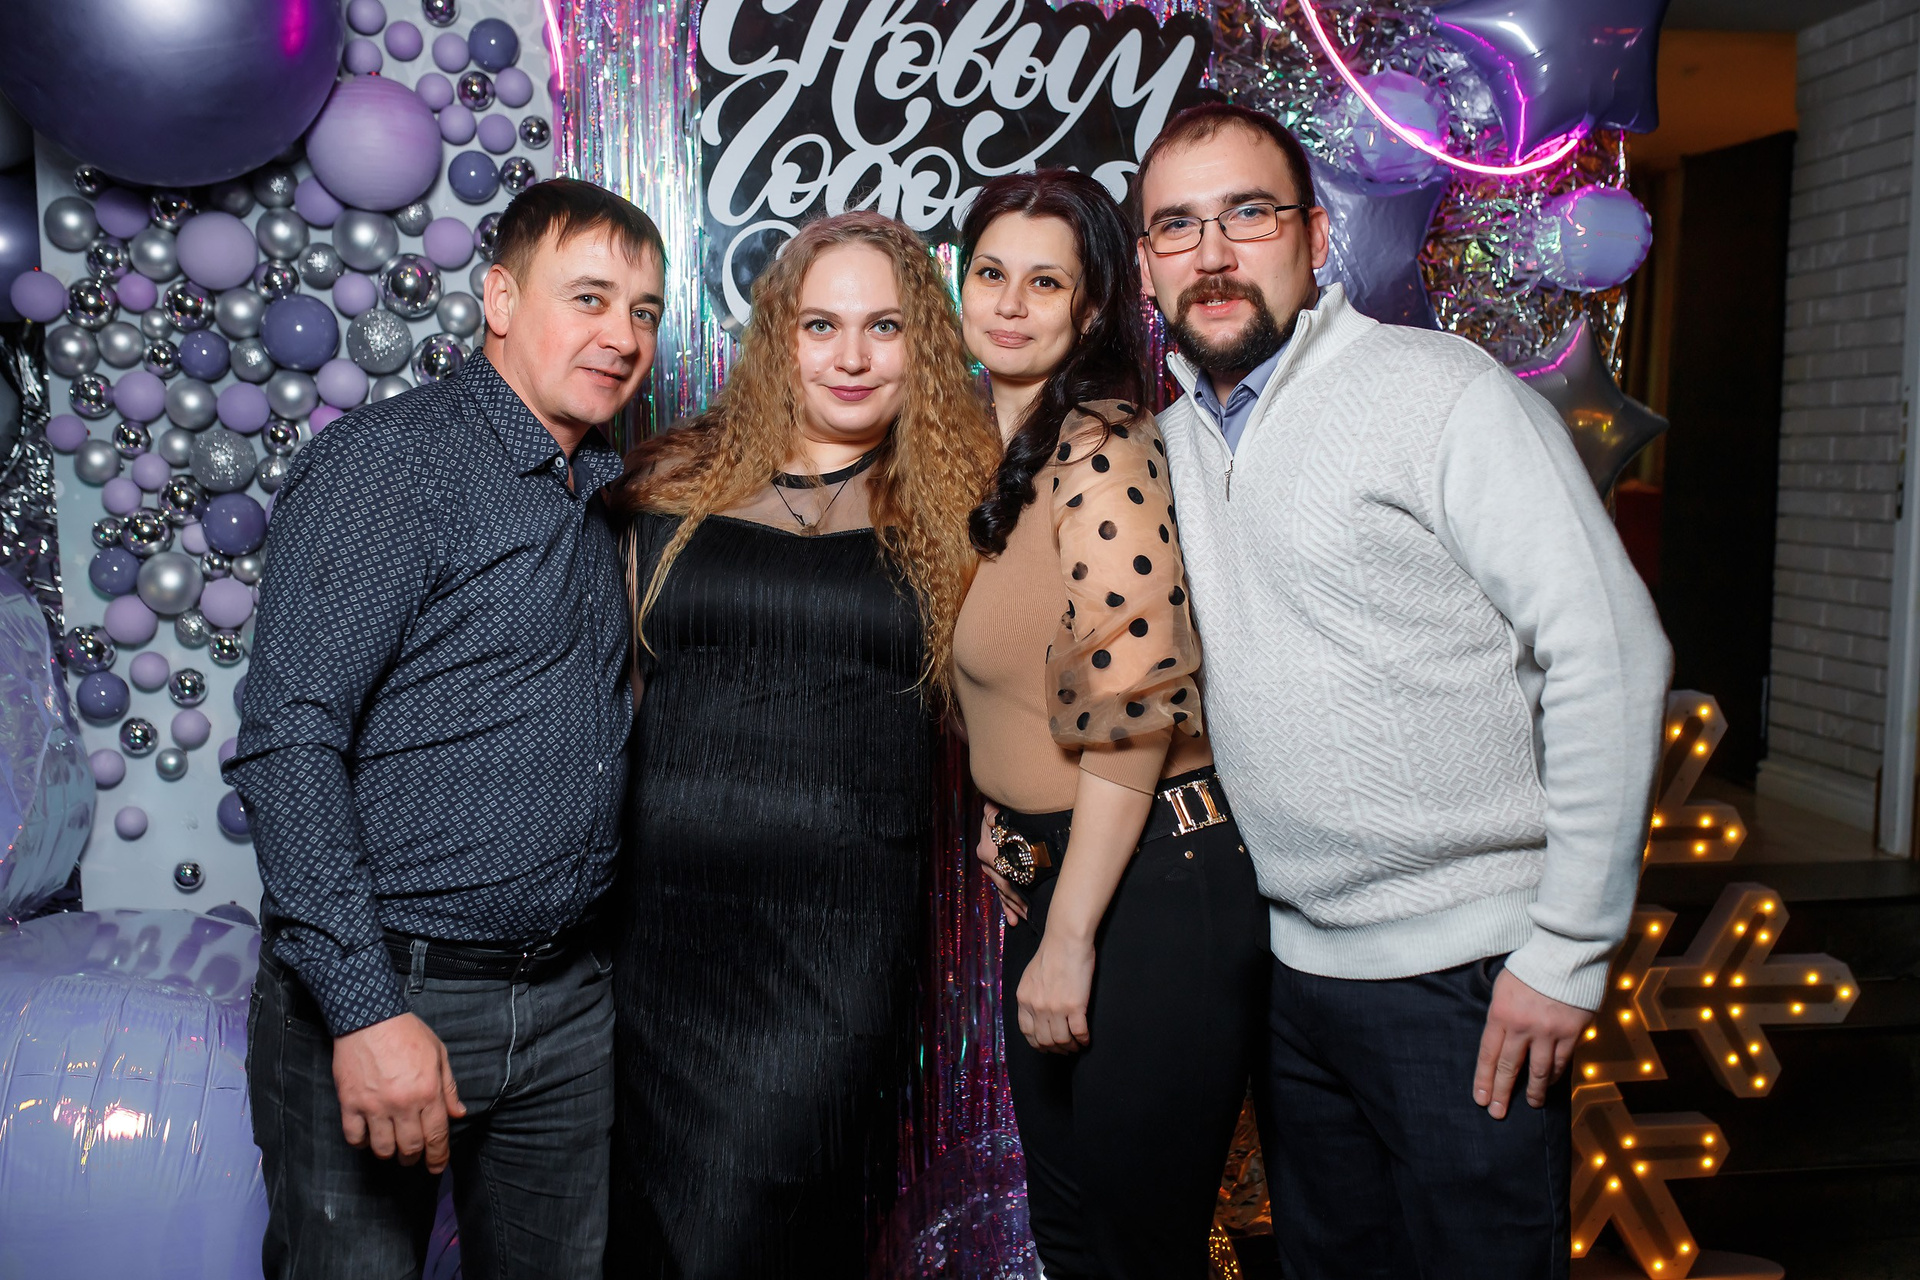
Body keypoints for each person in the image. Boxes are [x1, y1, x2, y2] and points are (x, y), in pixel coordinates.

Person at [1131, 103, 1671, 1278]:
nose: (1212, 253)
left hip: (1468, 980)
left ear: (1316, 235)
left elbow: (1610, 651)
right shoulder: (1162, 447)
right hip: (1288, 977)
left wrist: (1565, 949)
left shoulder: (1440, 391)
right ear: (1146, 264)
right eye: (1178, 225)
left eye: (1249, 214)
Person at [227, 178, 665, 1280]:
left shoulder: (598, 487)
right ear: (501, 301)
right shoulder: (395, 464)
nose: (622, 336)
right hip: (391, 988)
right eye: (590, 298)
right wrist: (366, 1012)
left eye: (645, 311)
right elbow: (289, 739)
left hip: (566, 1005)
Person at [605, 210, 999, 1278]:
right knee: (649, 1239)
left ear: (923, 344)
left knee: (763, 1232)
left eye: (885, 326)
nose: (852, 356)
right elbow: (607, 701)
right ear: (780, 335)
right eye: (822, 324)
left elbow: (1011, 708)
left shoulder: (960, 510)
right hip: (660, 941)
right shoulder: (669, 486)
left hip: (837, 950)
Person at [953, 169, 1268, 1279]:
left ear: (1091, 311)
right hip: (1066, 873)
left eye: (1045, 283)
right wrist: (1004, 818)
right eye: (990, 273)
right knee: (1076, 1238)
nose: (1009, 303)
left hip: (1150, 892)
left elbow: (1135, 709)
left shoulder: (1102, 446)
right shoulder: (999, 453)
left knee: (1136, 1252)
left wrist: (1071, 935)